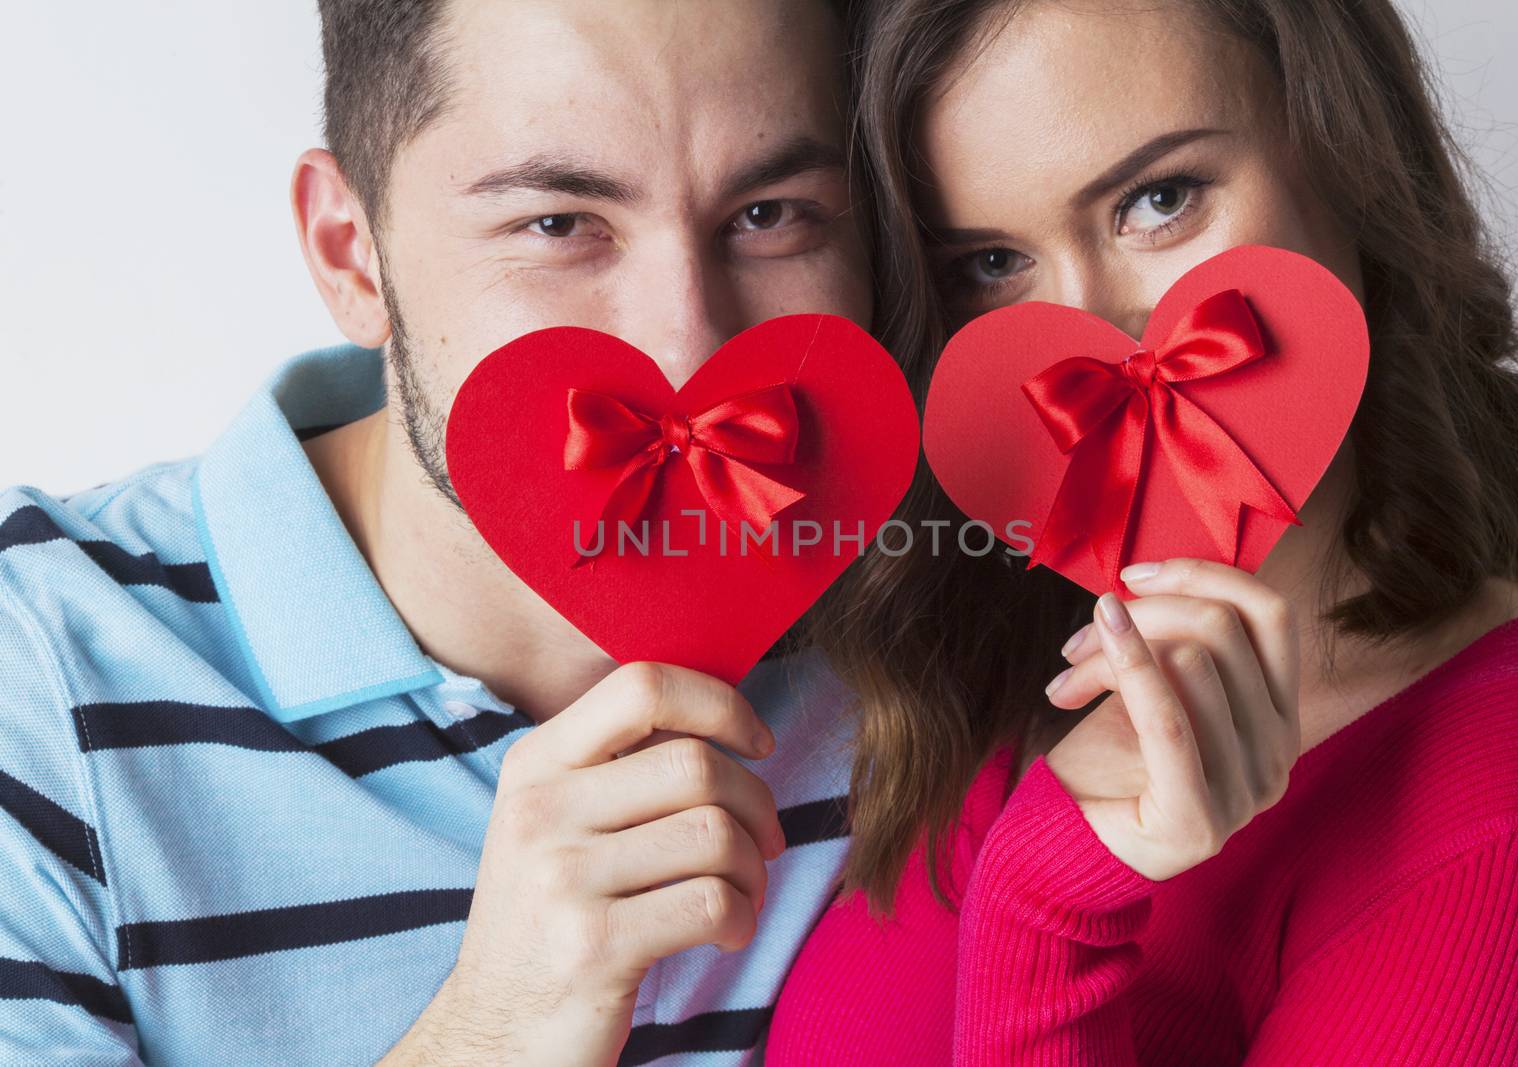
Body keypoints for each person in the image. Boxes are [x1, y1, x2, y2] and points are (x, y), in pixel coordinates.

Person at [0, 1, 891, 1063]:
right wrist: (495, 1026)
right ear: (351, 254)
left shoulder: (934, 627)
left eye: (770, 214)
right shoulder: (38, 673)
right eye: (558, 223)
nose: (686, 344)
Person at [769, 0, 1518, 1063]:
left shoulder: (1514, 831)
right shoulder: (967, 647)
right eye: (989, 264)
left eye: (1157, 201)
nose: (1089, 340)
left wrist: (1051, 912)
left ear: (1350, 162)